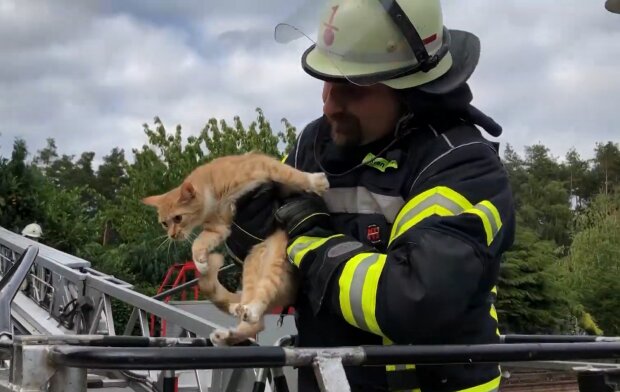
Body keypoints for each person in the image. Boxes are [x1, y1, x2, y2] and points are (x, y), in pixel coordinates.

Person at [225, 1, 516, 391]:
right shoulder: (315, 144)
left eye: (351, 87)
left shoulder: (463, 166)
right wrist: (244, 228)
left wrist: (311, 245)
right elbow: (272, 252)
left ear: (410, 88)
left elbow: (411, 300)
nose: (329, 103)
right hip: (330, 379)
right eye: (327, 81)